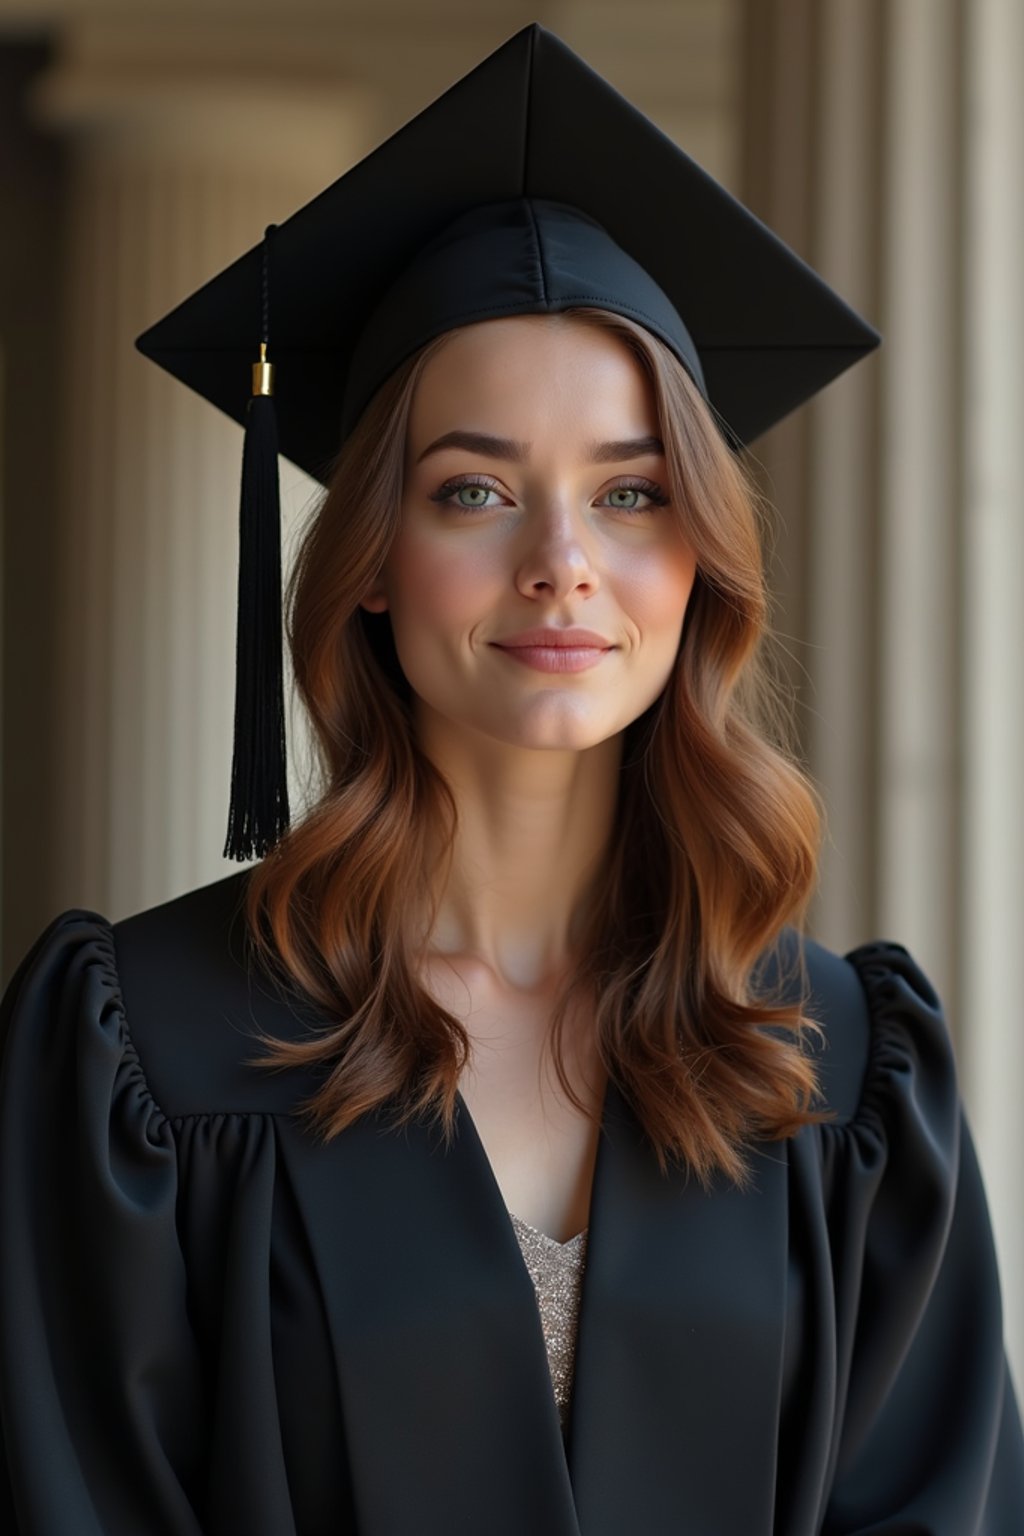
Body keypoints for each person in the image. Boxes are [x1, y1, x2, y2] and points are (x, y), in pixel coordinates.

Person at [1, 21, 1022, 1536]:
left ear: (700, 564)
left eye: (631, 494)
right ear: (367, 564)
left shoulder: (842, 1065)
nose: (562, 567)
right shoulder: (143, 1055)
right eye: (473, 490)